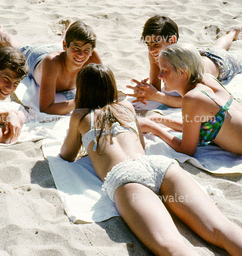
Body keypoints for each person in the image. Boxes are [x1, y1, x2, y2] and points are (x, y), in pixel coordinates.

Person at [60, 63, 242, 255]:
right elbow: (141, 144)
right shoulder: (126, 106)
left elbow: (67, 154)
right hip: (158, 165)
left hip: (126, 176)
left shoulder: (80, 116)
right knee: (221, 228)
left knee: (171, 245)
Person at [0, 21, 102, 115]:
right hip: (35, 57)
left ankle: (66, 33)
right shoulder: (52, 63)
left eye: (86, 50)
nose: (81, 55)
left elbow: (107, 87)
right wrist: (80, 101)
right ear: (65, 46)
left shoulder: (91, 56)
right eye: (77, 49)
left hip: (61, 50)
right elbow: (46, 107)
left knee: (74, 46)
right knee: (15, 47)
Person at [139, 43, 242, 156]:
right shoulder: (207, 79)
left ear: (182, 73)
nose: (159, 76)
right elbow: (194, 126)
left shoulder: (192, 99)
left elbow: (186, 150)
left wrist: (153, 128)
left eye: (164, 70)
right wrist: (159, 120)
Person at [127, 15, 242, 108]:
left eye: (156, 44)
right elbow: (155, 87)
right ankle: (232, 33)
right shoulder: (155, 54)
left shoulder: (190, 67)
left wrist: (157, 96)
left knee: (220, 50)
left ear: (172, 40)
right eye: (148, 44)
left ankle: (233, 33)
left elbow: (192, 99)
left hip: (220, 63)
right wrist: (144, 91)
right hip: (196, 53)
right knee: (217, 47)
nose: (151, 50)